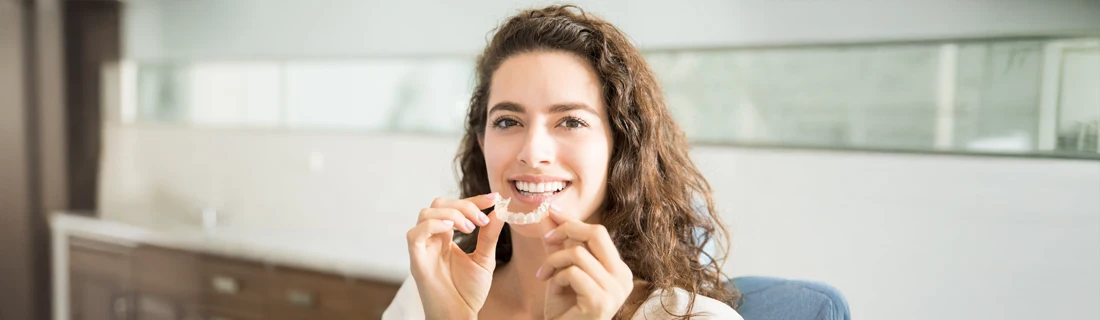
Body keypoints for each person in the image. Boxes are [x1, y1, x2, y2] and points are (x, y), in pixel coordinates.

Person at [384, 5, 741, 319]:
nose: (532, 152)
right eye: (508, 121)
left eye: (571, 121)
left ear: (622, 148)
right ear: (482, 143)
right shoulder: (425, 298)